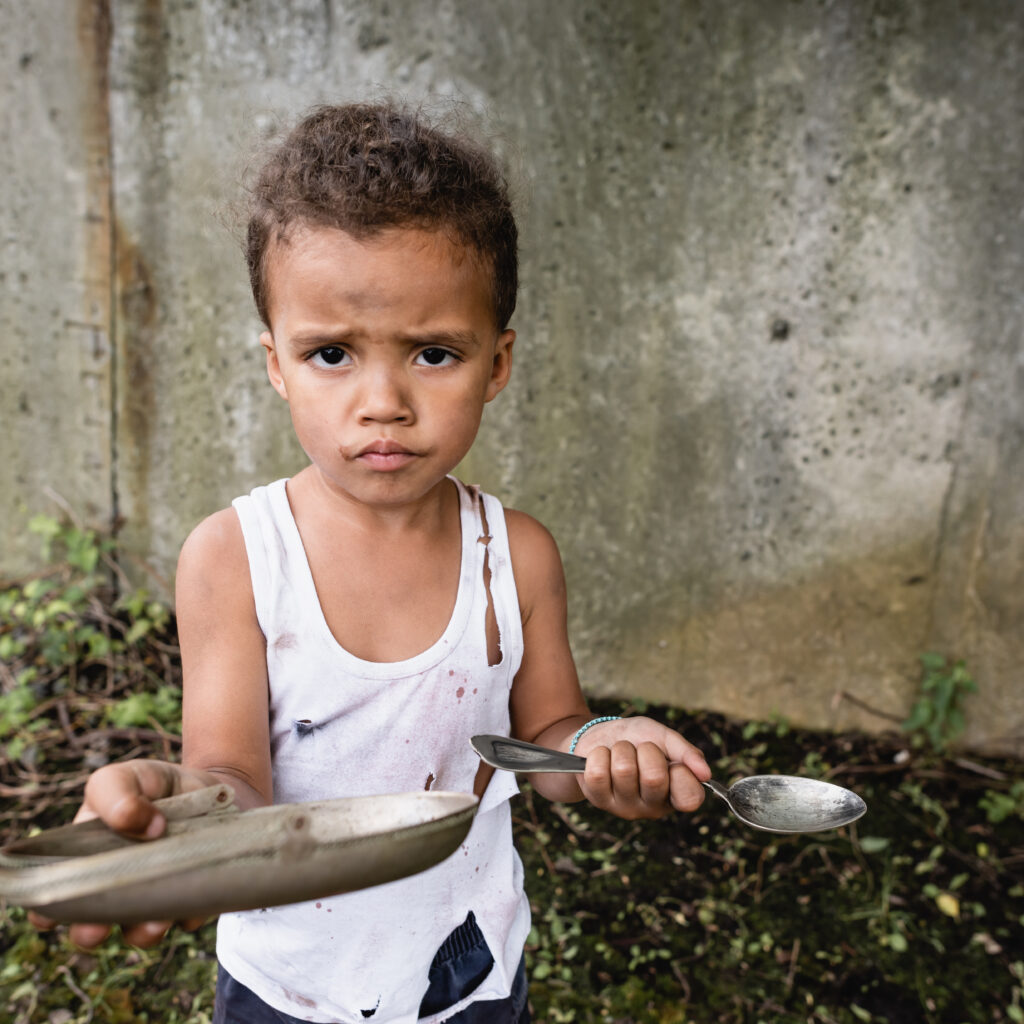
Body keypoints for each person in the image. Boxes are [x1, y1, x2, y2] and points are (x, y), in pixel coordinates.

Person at [42, 101, 711, 1023]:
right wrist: (181, 811)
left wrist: (605, 750)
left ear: (498, 362)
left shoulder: (514, 557)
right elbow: (234, 778)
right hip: (291, 985)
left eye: (434, 354)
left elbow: (548, 737)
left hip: (468, 971)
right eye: (331, 355)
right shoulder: (235, 558)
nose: (383, 402)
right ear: (275, 363)